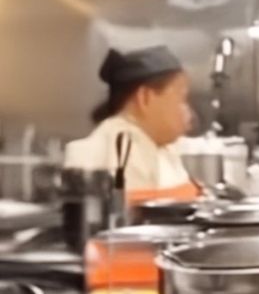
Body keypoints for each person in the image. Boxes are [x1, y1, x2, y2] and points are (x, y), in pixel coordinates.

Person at [64, 45, 196, 196]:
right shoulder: (122, 144)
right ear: (145, 97)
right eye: (182, 98)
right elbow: (134, 208)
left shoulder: (159, 147)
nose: (188, 112)